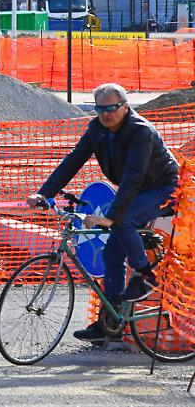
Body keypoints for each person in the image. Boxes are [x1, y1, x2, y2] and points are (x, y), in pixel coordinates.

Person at [28, 83, 179, 344]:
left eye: (111, 108)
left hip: (162, 187)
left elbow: (133, 177)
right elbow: (73, 160)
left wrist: (113, 215)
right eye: (100, 109)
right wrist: (45, 193)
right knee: (111, 253)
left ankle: (144, 276)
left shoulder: (140, 131)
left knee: (121, 218)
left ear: (125, 106)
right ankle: (110, 324)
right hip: (137, 189)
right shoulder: (97, 128)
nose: (105, 114)